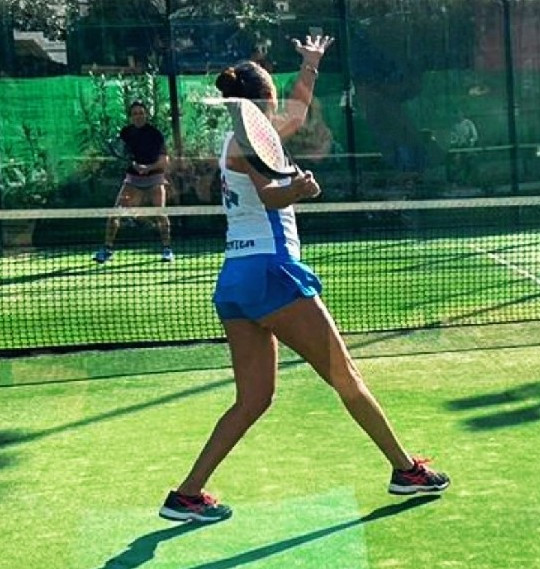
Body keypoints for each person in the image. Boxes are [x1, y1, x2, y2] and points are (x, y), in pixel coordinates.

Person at [158, 35, 450, 523]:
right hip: (272, 273)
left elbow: (295, 116)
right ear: (262, 100)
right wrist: (299, 188)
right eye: (275, 94)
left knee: (253, 399)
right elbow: (271, 196)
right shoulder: (249, 143)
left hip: (236, 280)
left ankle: (186, 494)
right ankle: (406, 470)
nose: (281, 105)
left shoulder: (244, 136)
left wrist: (310, 65)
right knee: (345, 376)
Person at [93, 100, 174, 263]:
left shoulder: (155, 134)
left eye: (141, 113)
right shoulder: (125, 133)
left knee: (160, 213)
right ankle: (107, 249)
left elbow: (165, 160)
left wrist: (148, 168)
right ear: (130, 117)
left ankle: (167, 249)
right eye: (135, 113)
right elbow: (123, 154)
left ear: (146, 115)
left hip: (155, 178)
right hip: (133, 180)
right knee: (115, 213)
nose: (138, 116)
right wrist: (134, 165)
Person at [447, 109, 478, 186]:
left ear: (463, 114)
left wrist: (471, 142)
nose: (458, 116)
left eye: (459, 113)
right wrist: (454, 142)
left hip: (468, 147)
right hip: (458, 148)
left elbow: (474, 135)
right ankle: (456, 180)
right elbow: (452, 136)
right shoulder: (454, 125)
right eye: (456, 114)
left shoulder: (469, 123)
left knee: (470, 163)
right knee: (458, 164)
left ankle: (468, 180)